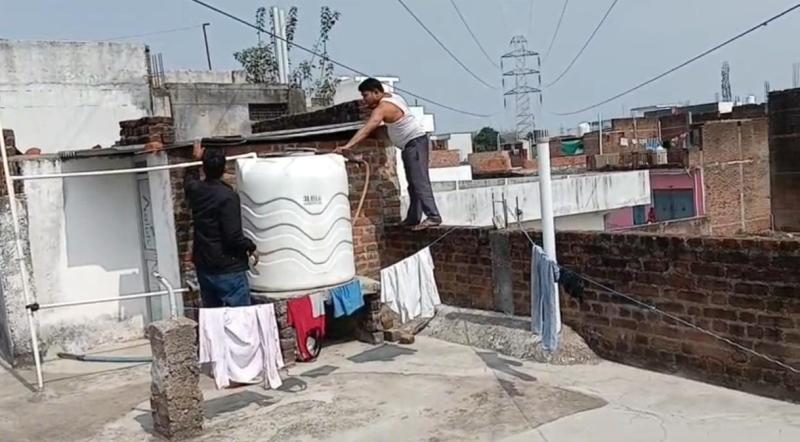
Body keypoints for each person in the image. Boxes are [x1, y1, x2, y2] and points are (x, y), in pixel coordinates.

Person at [335, 78, 442, 231]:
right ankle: (413, 217)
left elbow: (368, 128)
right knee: (413, 183)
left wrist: (348, 146)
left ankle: (433, 216)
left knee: (419, 181)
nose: (364, 100)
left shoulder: (383, 107)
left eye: (366, 95)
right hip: (410, 145)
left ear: (376, 92)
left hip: (415, 143)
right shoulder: (392, 97)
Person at [185, 141, 258, 307]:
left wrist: (194, 160)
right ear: (224, 168)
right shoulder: (228, 197)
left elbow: (189, 181)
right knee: (240, 317)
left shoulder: (196, 191)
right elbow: (233, 237)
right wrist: (251, 246)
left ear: (204, 168)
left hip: (205, 266)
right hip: (228, 267)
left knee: (213, 317)